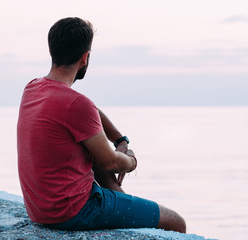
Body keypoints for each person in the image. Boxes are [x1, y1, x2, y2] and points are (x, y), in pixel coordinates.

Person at [17, 17, 186, 233]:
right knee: (176, 222)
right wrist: (132, 160)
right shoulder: (76, 104)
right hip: (73, 212)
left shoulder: (33, 89)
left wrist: (119, 139)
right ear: (85, 58)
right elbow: (111, 163)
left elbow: (89, 110)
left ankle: (126, 208)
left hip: (40, 210)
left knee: (91, 154)